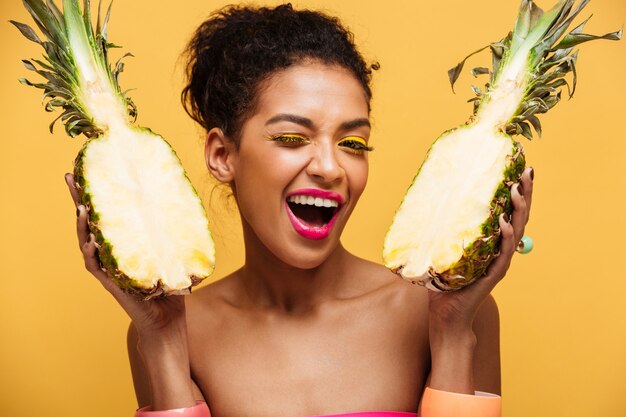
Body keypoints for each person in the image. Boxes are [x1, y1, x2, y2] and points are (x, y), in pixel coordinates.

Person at [64, 4, 533, 417]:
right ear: (223, 156)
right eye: (292, 138)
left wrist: (453, 335)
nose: (330, 167)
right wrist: (162, 342)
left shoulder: (449, 314)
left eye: (353, 143)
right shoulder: (171, 329)